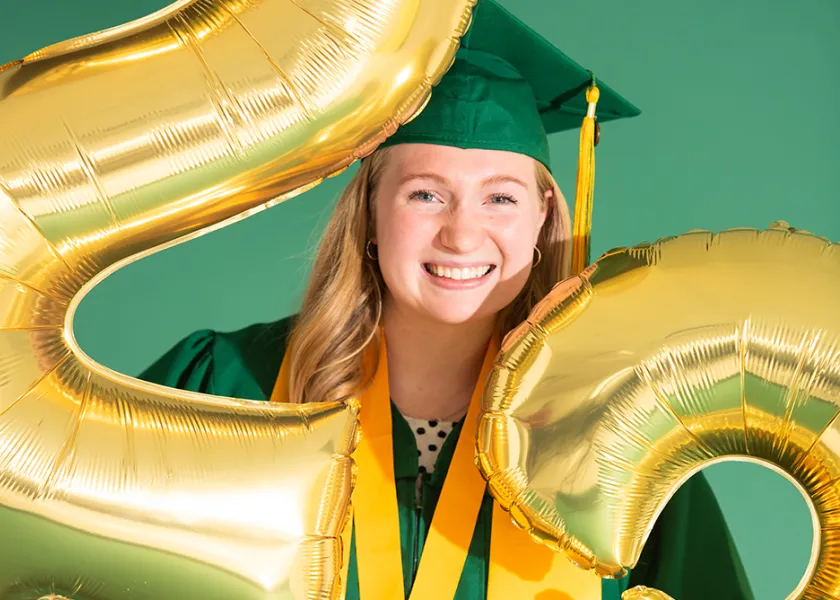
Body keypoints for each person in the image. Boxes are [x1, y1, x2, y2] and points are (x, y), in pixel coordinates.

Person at [138, 1, 755, 598]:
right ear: (370, 213)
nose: (461, 234)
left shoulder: (619, 433)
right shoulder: (225, 389)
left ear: (542, 219)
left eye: (501, 198)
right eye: (425, 195)